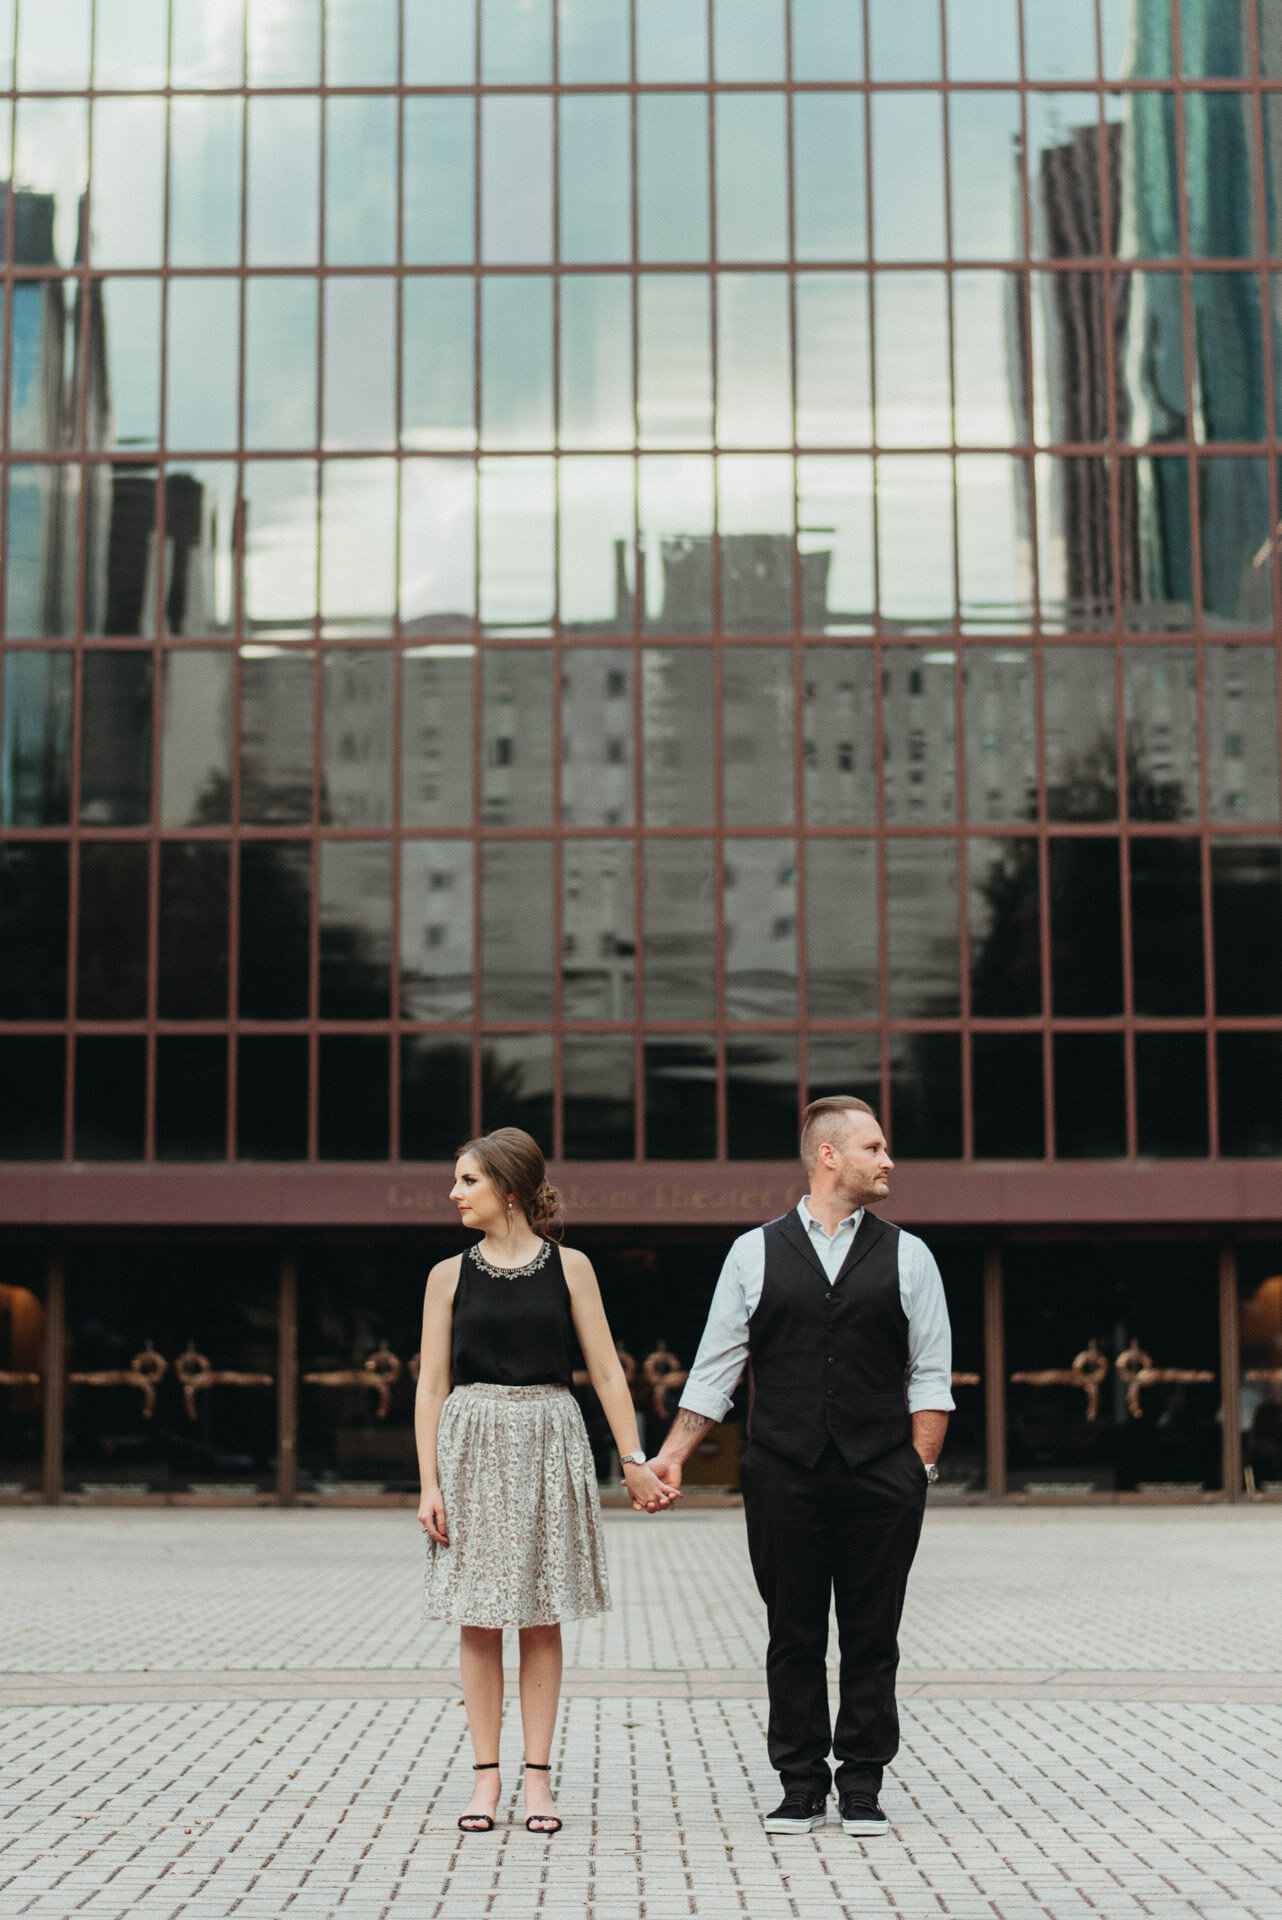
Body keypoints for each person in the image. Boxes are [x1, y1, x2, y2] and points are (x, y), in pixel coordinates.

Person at [649, 1096, 953, 1840]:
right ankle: (799, 1782)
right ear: (829, 1156)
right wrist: (672, 1458)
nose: (888, 1162)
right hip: (783, 1469)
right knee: (793, 1631)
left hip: (882, 1472)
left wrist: (916, 1471)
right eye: (874, 1148)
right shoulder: (752, 1253)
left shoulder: (910, 1254)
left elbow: (931, 1376)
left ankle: (862, 1784)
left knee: (873, 1632)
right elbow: (716, 1371)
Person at [416, 1128, 674, 1836]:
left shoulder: (572, 1267)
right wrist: (427, 1483)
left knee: (539, 1613)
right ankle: (483, 1779)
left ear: (507, 1189)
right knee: (475, 1612)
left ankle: (536, 1781)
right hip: (468, 1441)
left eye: (467, 1181)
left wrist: (633, 1458)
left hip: (548, 1435)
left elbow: (609, 1371)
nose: (454, 1193)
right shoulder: (446, 1275)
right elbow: (431, 1384)